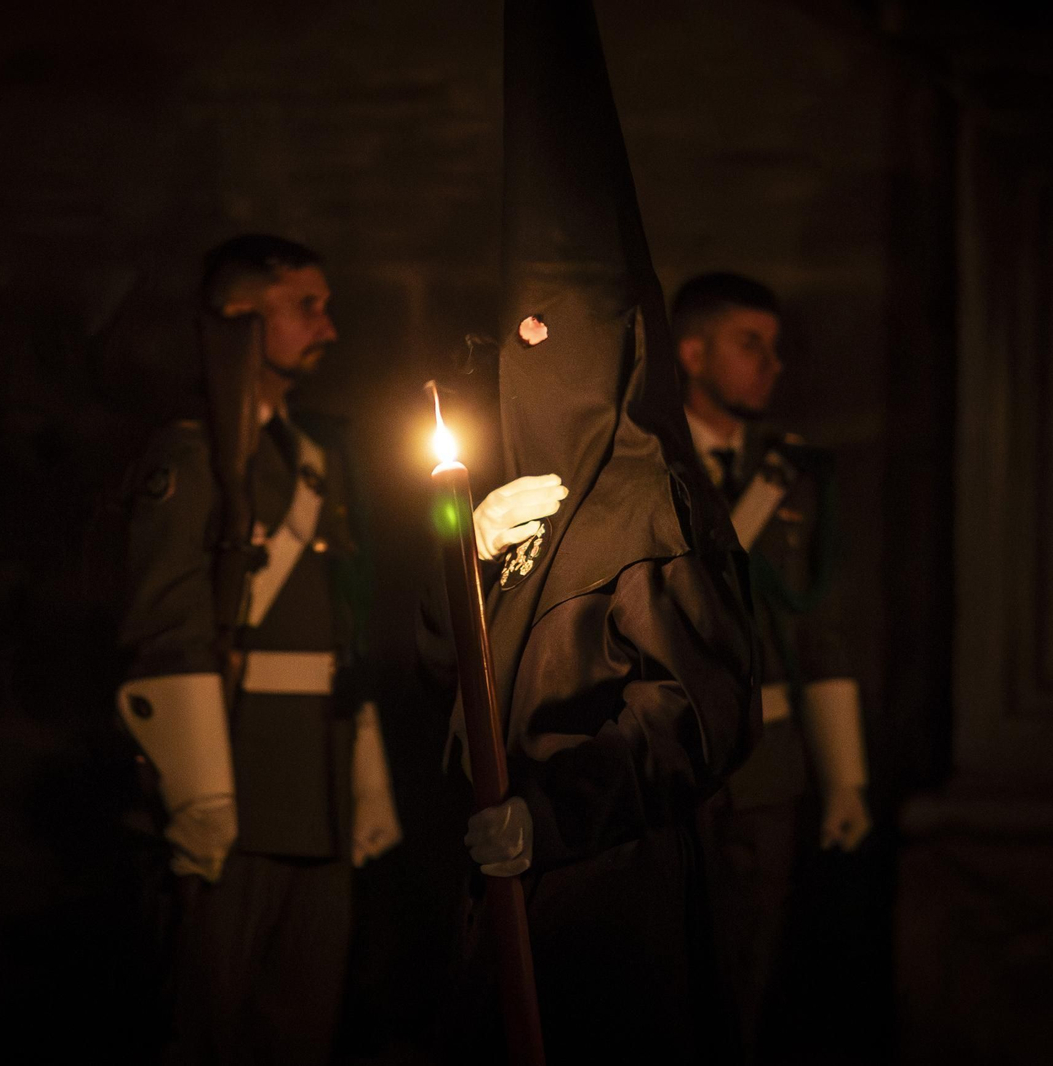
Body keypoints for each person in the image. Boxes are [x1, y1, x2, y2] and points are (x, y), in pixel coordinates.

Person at [432, 3, 760, 1061]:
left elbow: (698, 715)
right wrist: (466, 557)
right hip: (506, 880)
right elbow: (446, 666)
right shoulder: (520, 493)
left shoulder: (650, 503)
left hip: (611, 890)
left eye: (550, 333)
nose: (526, 357)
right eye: (517, 334)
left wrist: (553, 813)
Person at [113, 234, 400, 1065]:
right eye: (306, 307)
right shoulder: (192, 456)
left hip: (318, 790)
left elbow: (341, 634)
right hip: (232, 790)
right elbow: (168, 631)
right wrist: (202, 802)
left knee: (299, 1031)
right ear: (240, 316)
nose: (328, 328)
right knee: (209, 1028)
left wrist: (363, 783)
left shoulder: (311, 459)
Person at [672, 271, 873, 1061]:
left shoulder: (791, 476)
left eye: (774, 347)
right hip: (676, 762)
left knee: (748, 970)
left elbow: (818, 624)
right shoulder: (648, 464)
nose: (771, 364)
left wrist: (845, 776)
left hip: (769, 764)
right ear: (692, 353)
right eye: (749, 344)